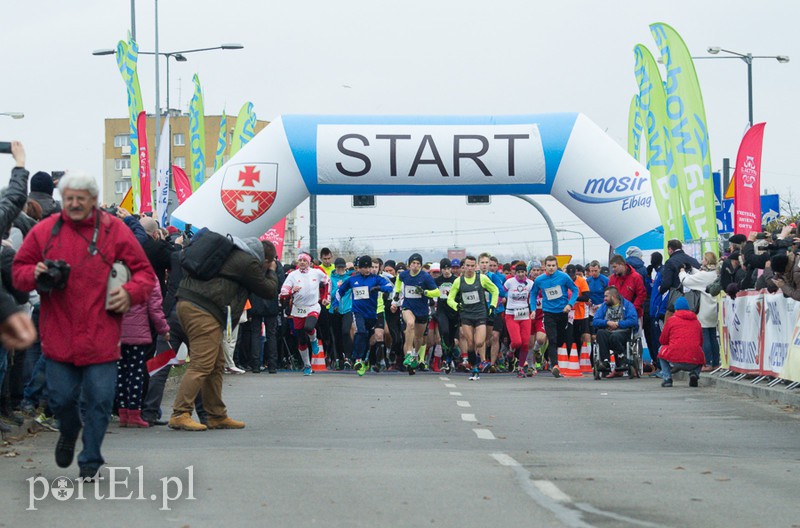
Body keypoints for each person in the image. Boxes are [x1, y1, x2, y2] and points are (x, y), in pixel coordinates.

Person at [13, 170, 156, 480]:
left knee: (101, 401)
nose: (74, 204)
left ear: (92, 200)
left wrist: (130, 293)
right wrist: (34, 274)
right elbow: (19, 271)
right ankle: (69, 428)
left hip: (102, 335)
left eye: (80, 198)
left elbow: (145, 273)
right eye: (68, 199)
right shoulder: (45, 231)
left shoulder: (114, 230)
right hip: (58, 335)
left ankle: (90, 458)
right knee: (60, 399)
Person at [169, 237, 278, 431]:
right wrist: (271, 271)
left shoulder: (231, 254)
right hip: (202, 309)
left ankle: (216, 415)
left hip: (191, 304)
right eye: (269, 262)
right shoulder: (248, 262)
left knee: (216, 364)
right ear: (265, 259)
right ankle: (180, 413)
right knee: (201, 364)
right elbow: (268, 290)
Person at [333, 255, 393, 376]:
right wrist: (335, 303)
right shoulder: (352, 279)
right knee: (360, 331)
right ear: (358, 268)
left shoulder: (375, 278)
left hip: (372, 314)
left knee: (369, 338)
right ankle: (357, 358)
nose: (367, 270)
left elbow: (390, 287)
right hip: (357, 312)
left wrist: (378, 288)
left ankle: (367, 360)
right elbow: (340, 291)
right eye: (364, 267)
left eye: (369, 267)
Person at [446, 255, 498, 380]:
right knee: (470, 343)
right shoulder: (459, 281)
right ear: (463, 267)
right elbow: (450, 299)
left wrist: (492, 305)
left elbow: (495, 290)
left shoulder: (482, 278)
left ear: (476, 267)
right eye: (467, 266)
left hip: (480, 313)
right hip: (466, 314)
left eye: (472, 266)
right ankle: (474, 368)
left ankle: (478, 360)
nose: (469, 268)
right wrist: (456, 306)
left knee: (480, 342)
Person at [280, 251, 330, 376]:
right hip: (298, 309)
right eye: (300, 260)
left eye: (305, 261)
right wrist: (292, 291)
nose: (302, 262)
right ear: (298, 262)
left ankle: (313, 339)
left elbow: (328, 282)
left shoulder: (316, 273)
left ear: (309, 263)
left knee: (309, 327)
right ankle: (307, 365)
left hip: (313, 306)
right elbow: (283, 292)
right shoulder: (292, 275)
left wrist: (326, 296)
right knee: (301, 340)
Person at [529, 256, 578, 378]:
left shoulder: (563, 277)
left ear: (556, 266)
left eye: (553, 266)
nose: (551, 268)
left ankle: (552, 361)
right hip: (549, 312)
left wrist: (569, 304)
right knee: (552, 338)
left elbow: (575, 290)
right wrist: (533, 309)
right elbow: (533, 294)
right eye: (548, 266)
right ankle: (555, 365)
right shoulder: (540, 280)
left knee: (561, 340)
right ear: (544, 266)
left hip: (563, 312)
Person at [392, 253, 440, 374]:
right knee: (410, 324)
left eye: (418, 263)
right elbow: (398, 280)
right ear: (409, 265)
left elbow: (437, 292)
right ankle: (408, 354)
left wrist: (425, 292)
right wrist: (397, 292)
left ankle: (413, 356)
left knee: (418, 338)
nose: (415, 266)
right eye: (413, 263)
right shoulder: (404, 275)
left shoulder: (425, 277)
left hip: (422, 310)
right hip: (408, 307)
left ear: (421, 265)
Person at [680, 252, 720, 370]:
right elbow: (700, 275)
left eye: (703, 259)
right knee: (713, 336)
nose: (702, 261)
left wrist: (682, 271)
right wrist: (692, 269)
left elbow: (686, 281)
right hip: (713, 308)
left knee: (705, 336)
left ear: (707, 261)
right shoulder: (715, 273)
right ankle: (715, 362)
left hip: (704, 309)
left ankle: (707, 363)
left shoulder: (704, 275)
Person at [591, 287, 638, 377]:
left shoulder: (627, 305)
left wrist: (618, 324)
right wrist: (607, 322)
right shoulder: (604, 306)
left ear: (613, 296)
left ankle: (622, 358)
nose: (604, 298)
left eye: (606, 296)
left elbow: (633, 321)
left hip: (623, 332)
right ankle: (605, 362)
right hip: (608, 332)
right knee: (600, 333)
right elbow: (595, 321)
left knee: (614, 336)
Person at [658, 297, 705, 388]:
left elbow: (662, 340)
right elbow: (701, 342)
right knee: (701, 353)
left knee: (660, 350)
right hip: (693, 361)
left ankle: (667, 379)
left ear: (676, 309)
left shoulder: (671, 320)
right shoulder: (697, 321)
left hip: (675, 359)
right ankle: (694, 374)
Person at [503, 263, 534, 378]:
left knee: (525, 343)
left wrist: (534, 308)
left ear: (526, 272)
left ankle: (520, 368)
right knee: (517, 342)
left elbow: (535, 295)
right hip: (511, 315)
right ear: (515, 273)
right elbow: (501, 292)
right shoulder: (510, 282)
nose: (521, 274)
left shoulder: (530, 283)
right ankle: (510, 352)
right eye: (518, 272)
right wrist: (501, 299)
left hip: (525, 315)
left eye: (523, 272)